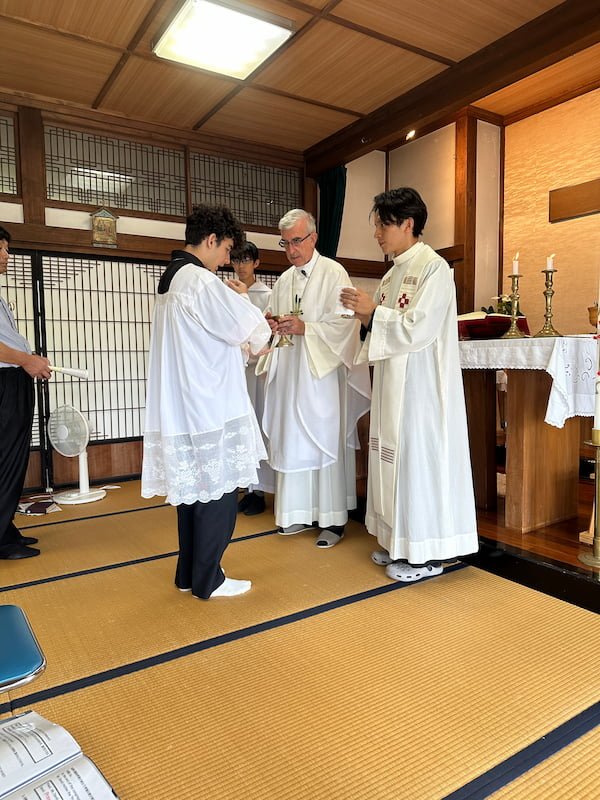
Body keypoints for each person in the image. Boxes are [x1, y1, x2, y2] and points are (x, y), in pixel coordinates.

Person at [341, 188, 478, 582]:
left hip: (420, 389)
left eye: (383, 224)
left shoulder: (435, 269)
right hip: (392, 384)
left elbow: (418, 329)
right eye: (377, 224)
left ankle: (427, 553)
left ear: (407, 224)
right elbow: (381, 327)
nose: (377, 233)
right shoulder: (392, 272)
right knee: (392, 462)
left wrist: (373, 312)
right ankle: (399, 541)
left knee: (417, 463)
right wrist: (366, 315)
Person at [141, 205, 271, 599]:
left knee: (193, 492)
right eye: (227, 249)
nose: (227, 259)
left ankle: (189, 574)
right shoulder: (199, 280)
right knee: (217, 493)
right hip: (210, 402)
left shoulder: (173, 280)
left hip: (183, 402)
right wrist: (245, 298)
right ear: (211, 240)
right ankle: (209, 579)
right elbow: (255, 330)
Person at [258, 209, 370, 548]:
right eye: (286, 243)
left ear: (313, 238)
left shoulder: (334, 273)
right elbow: (277, 324)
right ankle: (296, 513)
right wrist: (273, 325)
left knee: (323, 436)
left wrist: (307, 328)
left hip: (320, 375)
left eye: (297, 241)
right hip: (291, 371)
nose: (292, 250)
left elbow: (346, 324)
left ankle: (332, 520)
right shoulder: (284, 279)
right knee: (292, 437)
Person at [0, 225, 52, 560]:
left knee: (13, 456)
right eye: (2, 248)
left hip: (13, 379)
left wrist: (29, 362)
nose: (7, 255)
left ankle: (5, 527)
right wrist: (26, 361)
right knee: (5, 457)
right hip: (4, 381)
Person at [231, 241, 273, 516]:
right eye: (236, 259)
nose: (241, 265)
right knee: (240, 428)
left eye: (246, 259)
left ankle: (260, 490)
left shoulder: (267, 294)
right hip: (236, 371)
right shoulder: (228, 291)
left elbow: (267, 330)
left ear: (256, 263)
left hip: (259, 369)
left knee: (258, 424)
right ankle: (245, 486)